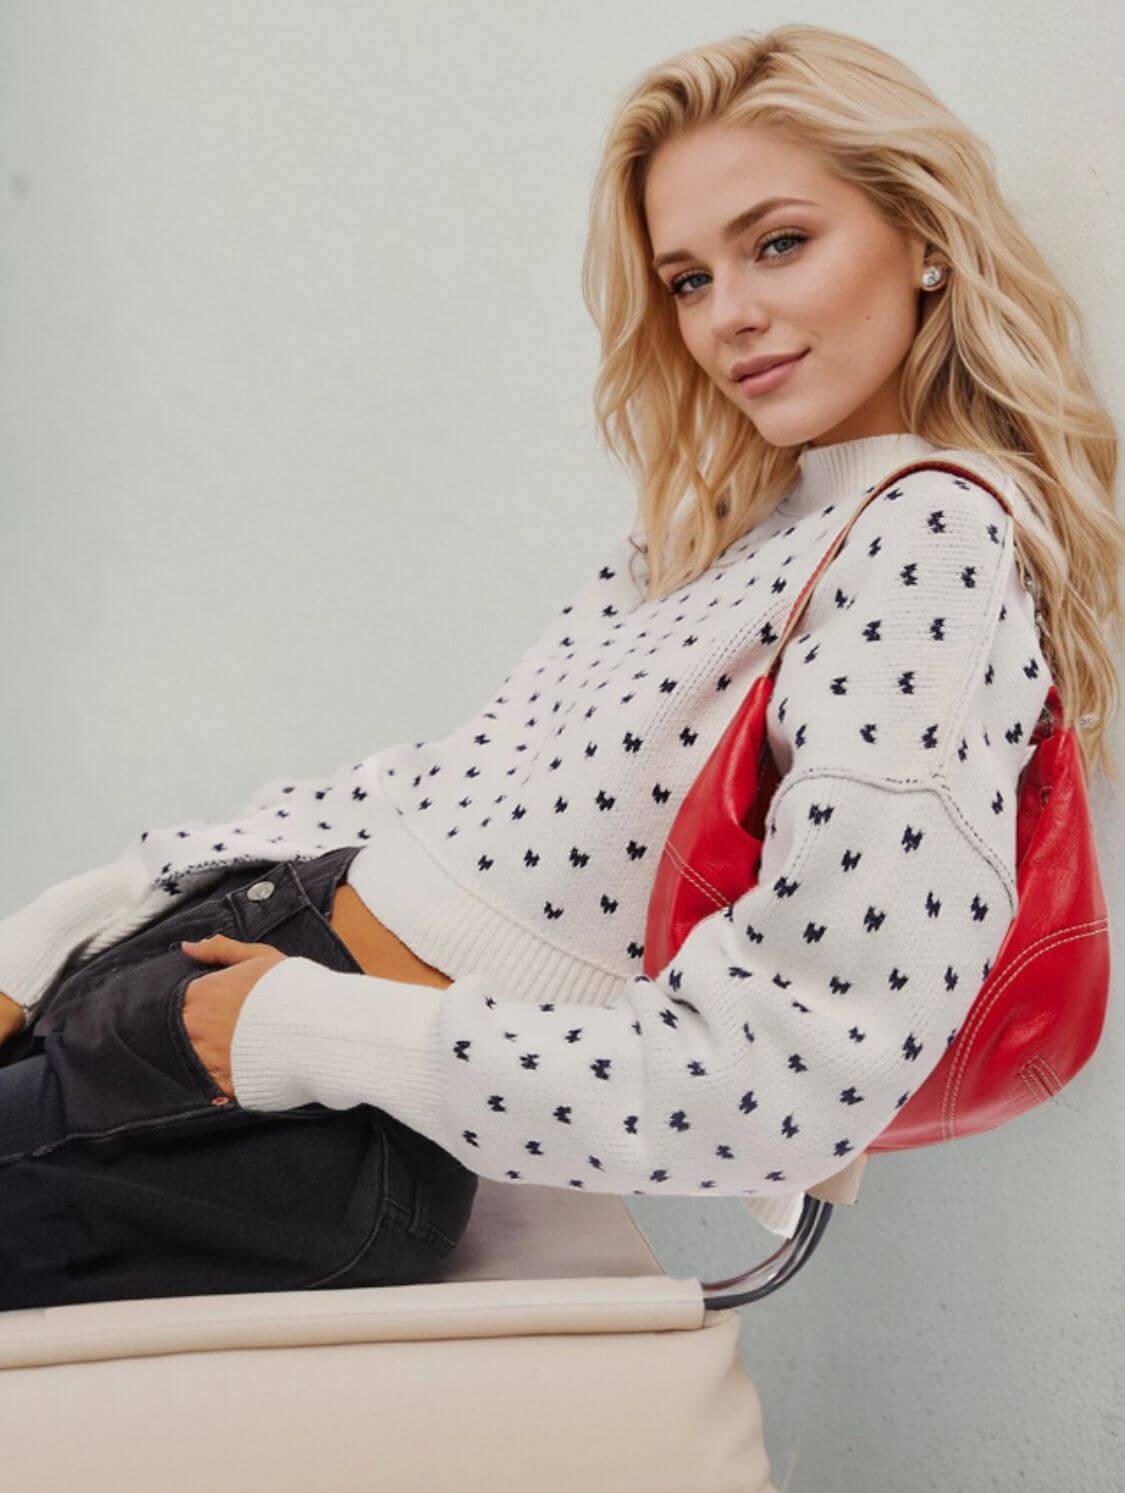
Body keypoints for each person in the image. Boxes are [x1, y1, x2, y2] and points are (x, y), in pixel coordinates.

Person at [1, 22, 1121, 1308]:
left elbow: (793, 1070)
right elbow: (441, 790)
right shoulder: (723, 527)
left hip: (297, 1118)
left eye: (779, 244)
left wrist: (303, 1031)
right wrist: (66, 921)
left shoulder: (931, 541)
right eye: (689, 279)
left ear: (926, 237)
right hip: (215, 979)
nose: (729, 318)